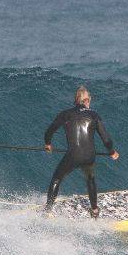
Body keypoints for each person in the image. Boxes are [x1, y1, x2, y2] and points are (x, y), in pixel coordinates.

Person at [43, 85, 119, 217]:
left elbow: (49, 131)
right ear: (87, 100)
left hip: (73, 155)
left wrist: (48, 144)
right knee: (90, 179)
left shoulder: (65, 114)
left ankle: (48, 211)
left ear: (76, 100)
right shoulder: (94, 115)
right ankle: (94, 210)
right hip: (90, 156)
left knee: (56, 179)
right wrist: (112, 152)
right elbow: (106, 139)